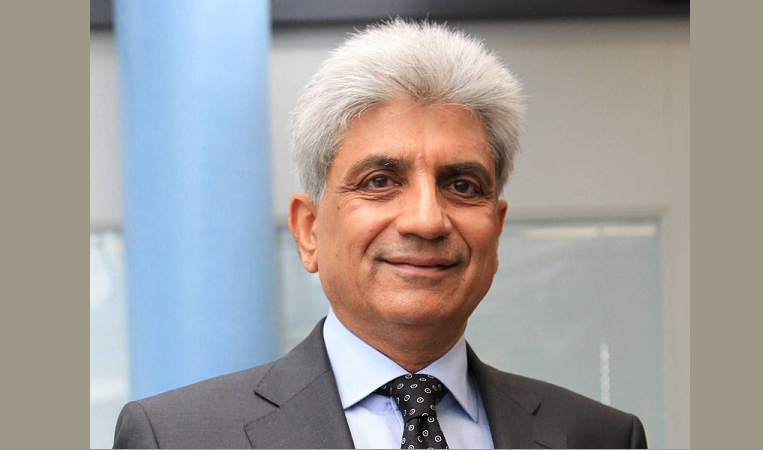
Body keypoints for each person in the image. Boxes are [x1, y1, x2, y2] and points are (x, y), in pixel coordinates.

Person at [114, 19, 647, 449]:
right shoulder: (176, 437)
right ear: (309, 231)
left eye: (462, 185)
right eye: (379, 181)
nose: (427, 220)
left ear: (497, 231)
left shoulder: (599, 438)